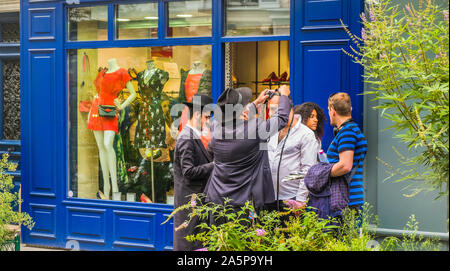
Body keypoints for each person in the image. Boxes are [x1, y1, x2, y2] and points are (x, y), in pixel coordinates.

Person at [204, 85, 292, 214]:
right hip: (242, 204)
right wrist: (284, 95)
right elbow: (282, 118)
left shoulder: (215, 126)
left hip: (217, 199)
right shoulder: (254, 128)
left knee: (218, 234)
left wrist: (257, 103)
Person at [173, 94, 214, 251]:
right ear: (197, 114)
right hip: (188, 203)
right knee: (188, 244)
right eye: (206, 117)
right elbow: (189, 171)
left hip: (194, 202)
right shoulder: (187, 138)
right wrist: (213, 165)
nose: (208, 121)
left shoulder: (192, 136)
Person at [266, 99, 323, 213]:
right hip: (268, 197)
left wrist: (300, 200)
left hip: (291, 198)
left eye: (276, 110)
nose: (272, 114)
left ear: (289, 110)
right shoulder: (271, 130)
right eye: (271, 110)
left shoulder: (306, 134)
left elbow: (308, 169)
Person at [327, 92, 368, 211]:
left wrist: (322, 173)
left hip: (345, 198)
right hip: (350, 196)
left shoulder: (347, 132)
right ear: (350, 109)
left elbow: (345, 166)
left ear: (332, 110)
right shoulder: (351, 130)